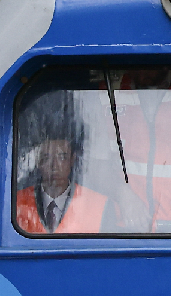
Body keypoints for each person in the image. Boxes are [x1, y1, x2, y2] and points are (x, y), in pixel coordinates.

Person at [15, 92, 106, 234]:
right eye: (46, 158)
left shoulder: (99, 205)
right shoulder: (16, 202)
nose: (54, 166)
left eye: (62, 157)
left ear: (72, 160)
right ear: (38, 162)